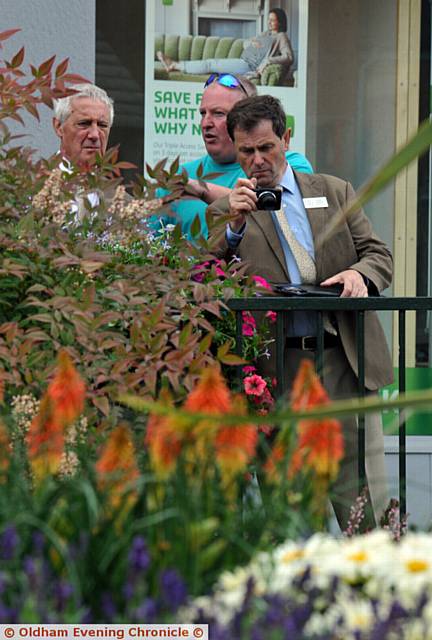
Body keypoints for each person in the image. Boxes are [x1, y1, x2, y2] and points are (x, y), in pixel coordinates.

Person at [208, 94, 393, 530]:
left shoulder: (332, 190)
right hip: (277, 368)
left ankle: (370, 590)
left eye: (266, 148)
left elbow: (378, 253)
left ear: (286, 139)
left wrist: (360, 277)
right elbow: (204, 274)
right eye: (246, 151)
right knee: (288, 508)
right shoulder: (225, 210)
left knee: (360, 500)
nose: (256, 161)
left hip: (342, 360)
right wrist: (232, 229)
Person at [158, 72, 312, 239]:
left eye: (218, 113)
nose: (206, 123)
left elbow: (282, 209)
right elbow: (146, 250)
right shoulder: (178, 178)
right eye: (203, 113)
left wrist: (201, 189)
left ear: (247, 117)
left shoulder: (288, 164)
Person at [34, 83, 118, 222]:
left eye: (102, 125)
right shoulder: (27, 188)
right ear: (58, 126)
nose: (94, 135)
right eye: (84, 123)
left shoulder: (124, 205)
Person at [157, 8, 294, 84]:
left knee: (211, 64)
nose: (269, 22)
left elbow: (288, 57)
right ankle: (176, 65)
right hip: (245, 60)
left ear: (280, 22)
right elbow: (246, 44)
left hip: (249, 65)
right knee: (211, 65)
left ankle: (175, 65)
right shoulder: (266, 33)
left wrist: (268, 61)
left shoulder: (281, 36)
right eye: (268, 19)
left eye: (272, 20)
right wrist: (251, 42)